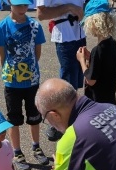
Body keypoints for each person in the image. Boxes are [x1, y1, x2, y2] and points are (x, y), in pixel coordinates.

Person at [0, 0, 49, 170]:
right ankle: (17, 152)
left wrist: (29, 70)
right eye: (18, 5)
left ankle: (36, 146)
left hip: (31, 80)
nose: (22, 9)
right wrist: (10, 73)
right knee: (14, 119)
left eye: (25, 5)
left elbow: (37, 52)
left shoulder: (35, 25)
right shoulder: (1, 27)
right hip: (12, 82)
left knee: (34, 117)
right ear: (9, 3)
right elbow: (2, 56)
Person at [36, 0, 86, 142]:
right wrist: (69, 7)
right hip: (65, 38)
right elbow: (41, 14)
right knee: (66, 83)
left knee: (77, 82)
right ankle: (59, 122)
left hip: (81, 35)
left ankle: (73, 118)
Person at [76, 0, 116, 105]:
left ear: (94, 22)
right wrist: (90, 57)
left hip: (97, 102)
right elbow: (104, 64)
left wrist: (82, 60)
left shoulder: (98, 50)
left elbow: (90, 80)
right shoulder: (113, 43)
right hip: (109, 99)